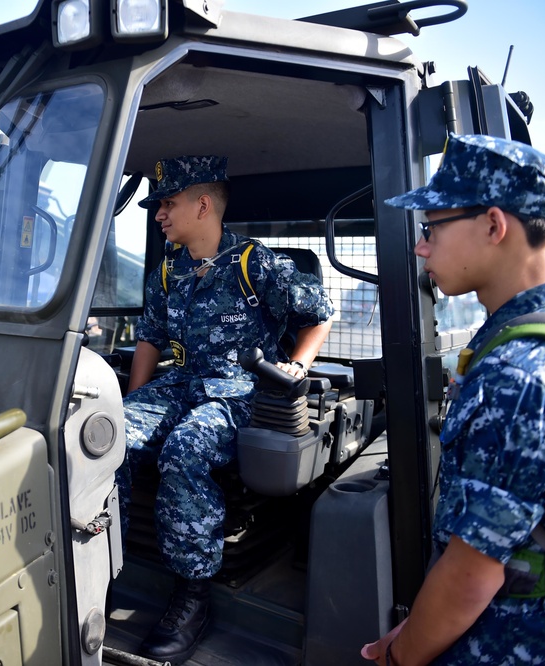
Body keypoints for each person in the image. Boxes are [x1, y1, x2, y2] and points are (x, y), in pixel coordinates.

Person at [361, 134, 545, 664]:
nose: (421, 245)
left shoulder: (518, 374)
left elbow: (473, 571)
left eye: (431, 228)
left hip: (511, 645)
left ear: (494, 226)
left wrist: (400, 655)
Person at [117, 155, 334, 664]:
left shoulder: (253, 262)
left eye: (167, 204)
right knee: (106, 435)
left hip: (239, 391)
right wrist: (132, 403)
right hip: (182, 383)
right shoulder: (168, 270)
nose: (159, 215)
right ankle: (106, 564)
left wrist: (297, 369)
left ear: (204, 204)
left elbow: (319, 314)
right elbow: (149, 339)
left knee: (185, 450)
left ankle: (191, 595)